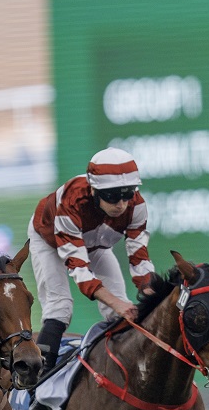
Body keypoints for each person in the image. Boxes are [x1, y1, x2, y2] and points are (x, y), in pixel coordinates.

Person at [28, 146, 155, 381]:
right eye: (112, 195)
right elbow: (79, 268)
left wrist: (151, 294)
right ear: (94, 190)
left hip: (95, 245)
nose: (121, 204)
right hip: (50, 241)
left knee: (120, 310)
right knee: (60, 307)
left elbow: (139, 258)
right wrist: (117, 303)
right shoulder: (72, 200)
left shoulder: (136, 206)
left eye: (127, 194)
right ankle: (38, 380)